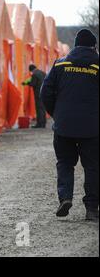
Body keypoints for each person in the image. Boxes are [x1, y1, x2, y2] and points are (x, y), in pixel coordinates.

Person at [41, 28, 99, 221]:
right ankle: (91, 209)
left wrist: (56, 114)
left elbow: (45, 92)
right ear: (94, 46)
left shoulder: (60, 64)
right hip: (92, 128)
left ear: (75, 45)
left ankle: (65, 198)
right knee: (92, 167)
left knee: (65, 163)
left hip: (64, 126)